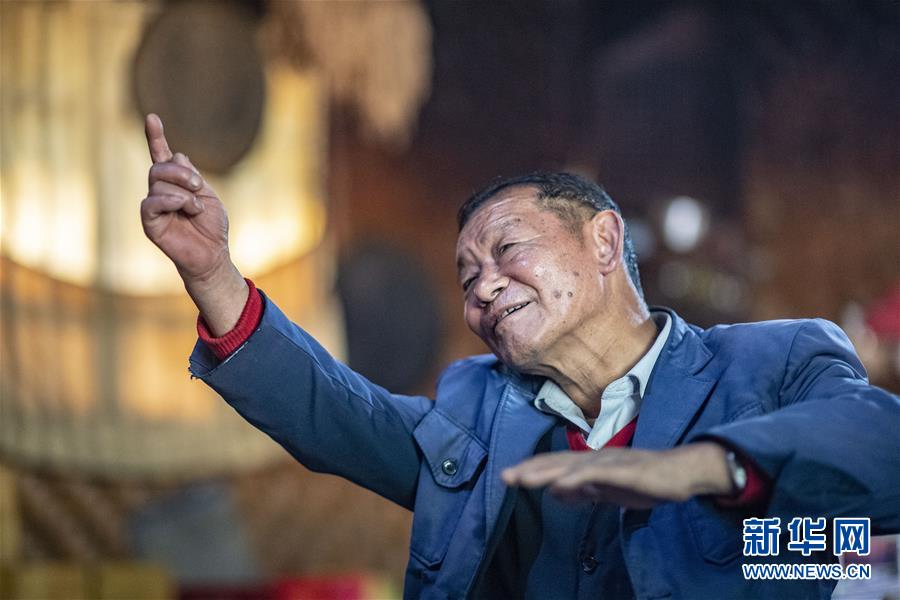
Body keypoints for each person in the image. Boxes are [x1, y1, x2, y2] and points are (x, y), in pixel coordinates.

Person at [141, 113, 899, 599]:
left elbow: (880, 449)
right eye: (467, 278)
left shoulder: (773, 361)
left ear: (604, 240)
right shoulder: (473, 407)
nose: (484, 287)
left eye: (507, 250)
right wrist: (214, 277)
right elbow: (337, 415)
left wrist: (707, 471)